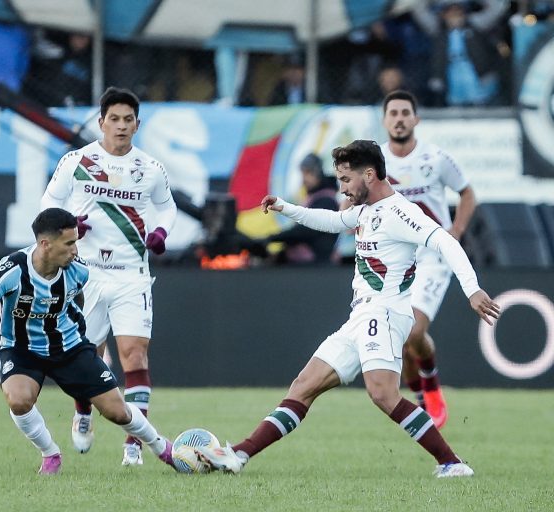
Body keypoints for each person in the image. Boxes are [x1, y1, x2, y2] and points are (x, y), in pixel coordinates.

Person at [196, 140, 499, 478]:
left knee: (383, 394)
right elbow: (331, 220)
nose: (341, 187)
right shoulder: (366, 210)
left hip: (384, 315)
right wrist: (285, 207)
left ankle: (452, 464)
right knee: (304, 385)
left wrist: (472, 290)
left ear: (369, 175)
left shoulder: (401, 212)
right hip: (360, 317)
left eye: (345, 179)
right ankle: (239, 454)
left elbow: (445, 241)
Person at [0, 208, 175, 475]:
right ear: (45, 244)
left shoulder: (79, 271)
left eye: (76, 242)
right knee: (18, 400)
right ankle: (50, 454)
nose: (76, 250)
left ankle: (163, 448)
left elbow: (94, 297)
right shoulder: (12, 269)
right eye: (69, 243)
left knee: (117, 411)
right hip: (22, 350)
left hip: (70, 348)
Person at [40, 86, 177, 466]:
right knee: (88, 358)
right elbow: (48, 203)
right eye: (113, 119)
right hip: (86, 275)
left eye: (127, 120)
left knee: (135, 356)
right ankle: (83, 409)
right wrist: (69, 225)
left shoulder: (150, 168)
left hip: (132, 275)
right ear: (101, 122)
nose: (120, 126)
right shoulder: (76, 161)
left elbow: (167, 207)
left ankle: (134, 444)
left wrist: (161, 233)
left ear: (137, 124)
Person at [381, 89, 476, 428]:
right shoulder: (376, 163)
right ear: (384, 121)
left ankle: (430, 383)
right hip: (393, 262)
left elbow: (467, 192)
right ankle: (422, 394)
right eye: (393, 113)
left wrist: (457, 231)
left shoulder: (435, 158)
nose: (400, 119)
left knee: (413, 331)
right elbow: (351, 201)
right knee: (402, 341)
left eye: (405, 113)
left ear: (416, 119)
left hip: (432, 257)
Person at [255, 153, 339, 264]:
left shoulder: (326, 202)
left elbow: (304, 231)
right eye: (303, 173)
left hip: (316, 265)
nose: (304, 179)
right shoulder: (315, 198)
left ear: (318, 173)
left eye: (308, 173)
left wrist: (272, 238)